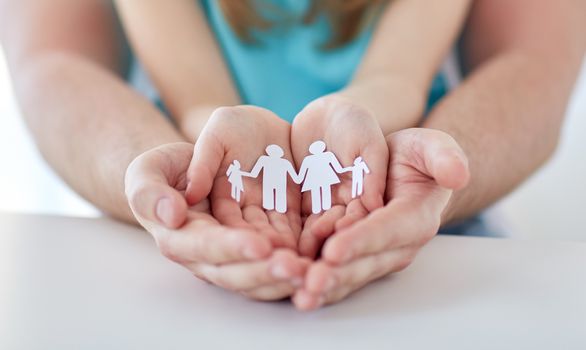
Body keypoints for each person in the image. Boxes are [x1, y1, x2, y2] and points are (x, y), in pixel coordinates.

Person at [1, 0, 584, 311]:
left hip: (406, 201)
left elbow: (396, 80)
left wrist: (364, 124)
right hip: (197, 206)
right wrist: (209, 149)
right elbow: (196, 97)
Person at [296, 140, 346, 214]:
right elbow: (339, 169)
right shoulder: (327, 155)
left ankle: (322, 207)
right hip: (322, 178)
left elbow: (301, 174)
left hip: (318, 178)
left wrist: (296, 179)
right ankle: (322, 207)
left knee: (320, 192)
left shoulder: (310, 159)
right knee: (323, 191)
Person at [245, 144, 298, 214]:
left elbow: (254, 173)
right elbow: (296, 179)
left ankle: (275, 207)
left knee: (271, 203)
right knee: (276, 204)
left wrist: (241, 173)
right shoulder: (284, 162)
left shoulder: (264, 159)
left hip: (272, 183)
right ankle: (277, 208)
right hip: (277, 183)